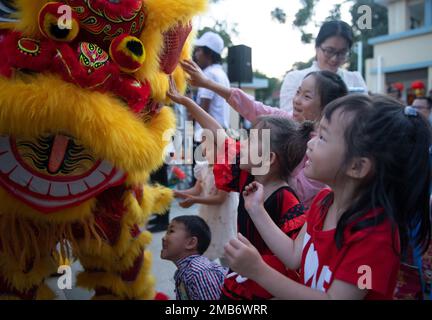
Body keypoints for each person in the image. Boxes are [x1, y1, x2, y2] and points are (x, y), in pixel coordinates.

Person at [224, 95, 432, 300]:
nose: (311, 143)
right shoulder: (324, 201)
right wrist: (257, 210)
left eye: (322, 137)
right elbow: (295, 255)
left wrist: (259, 271)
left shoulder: (375, 236)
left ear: (357, 166)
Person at [167, 77, 312, 299]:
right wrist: (187, 102)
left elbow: (295, 258)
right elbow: (219, 134)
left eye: (250, 141)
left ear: (269, 158)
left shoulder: (286, 199)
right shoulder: (249, 175)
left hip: (265, 286)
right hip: (242, 273)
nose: (241, 144)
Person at [179, 59, 348, 208]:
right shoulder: (285, 121)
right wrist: (207, 83)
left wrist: (263, 170)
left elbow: (302, 192)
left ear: (326, 107)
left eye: (307, 96)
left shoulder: (320, 148)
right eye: (298, 92)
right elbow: (253, 107)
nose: (297, 100)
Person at [280, 20, 367, 113]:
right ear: (317, 47)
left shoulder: (355, 79)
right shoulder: (295, 79)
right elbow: (288, 118)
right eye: (329, 51)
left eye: (342, 53)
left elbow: (365, 116)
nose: (334, 58)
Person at [173, 140, 239, 265]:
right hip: (208, 214)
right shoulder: (203, 168)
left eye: (208, 149)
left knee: (225, 247)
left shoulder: (225, 170)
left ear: (221, 150)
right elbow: (197, 190)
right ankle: (210, 275)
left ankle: (230, 278)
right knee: (208, 244)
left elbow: (220, 199)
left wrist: (194, 200)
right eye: (203, 149)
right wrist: (177, 193)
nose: (204, 152)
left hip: (223, 215)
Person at [161, 215, 227, 300]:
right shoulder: (183, 272)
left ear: (191, 243)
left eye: (171, 231)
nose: (163, 238)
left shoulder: (199, 273)